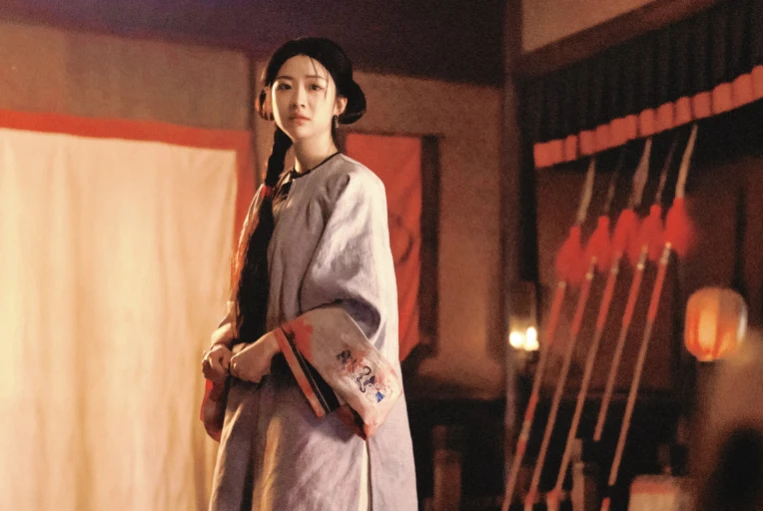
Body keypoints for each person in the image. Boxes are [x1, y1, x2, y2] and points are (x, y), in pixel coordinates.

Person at [200, 37, 418, 511]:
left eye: (314, 87)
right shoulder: (270, 196)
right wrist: (223, 343)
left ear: (339, 103)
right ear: (268, 101)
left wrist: (273, 346)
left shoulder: (354, 186)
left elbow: (361, 312)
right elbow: (248, 300)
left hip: (321, 419)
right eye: (284, 86)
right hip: (259, 404)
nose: (298, 99)